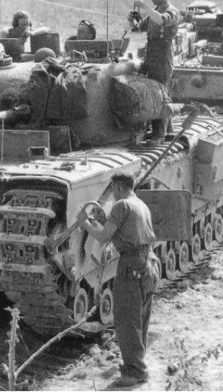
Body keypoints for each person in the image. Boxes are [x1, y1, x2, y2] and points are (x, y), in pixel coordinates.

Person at [76, 173, 160, 387]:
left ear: (117, 186)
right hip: (149, 262)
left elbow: (103, 237)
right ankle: (138, 365)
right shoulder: (139, 204)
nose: (112, 193)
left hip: (131, 266)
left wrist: (84, 223)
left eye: (112, 188)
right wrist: (104, 221)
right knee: (140, 318)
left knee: (126, 320)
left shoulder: (121, 205)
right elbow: (122, 234)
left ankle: (135, 371)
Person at [129, 0, 180, 139]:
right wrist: (133, 21)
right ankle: (168, 130)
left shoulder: (172, 11)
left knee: (159, 95)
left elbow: (160, 19)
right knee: (156, 93)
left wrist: (144, 7)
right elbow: (139, 28)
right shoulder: (155, 10)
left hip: (162, 59)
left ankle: (159, 134)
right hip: (150, 58)